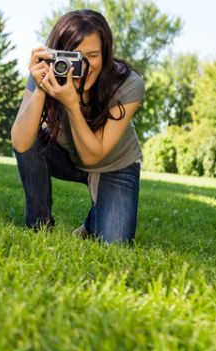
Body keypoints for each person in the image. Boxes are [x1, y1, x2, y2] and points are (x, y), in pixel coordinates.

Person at [10, 10, 145, 243]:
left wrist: (72, 104)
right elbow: (21, 142)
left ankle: (95, 220)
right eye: (74, 56)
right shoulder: (47, 70)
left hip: (114, 164)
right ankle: (39, 226)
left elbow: (93, 157)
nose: (82, 65)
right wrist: (41, 87)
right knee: (31, 136)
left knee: (114, 243)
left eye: (92, 55)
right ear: (58, 53)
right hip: (67, 155)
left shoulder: (128, 82)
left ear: (106, 54)